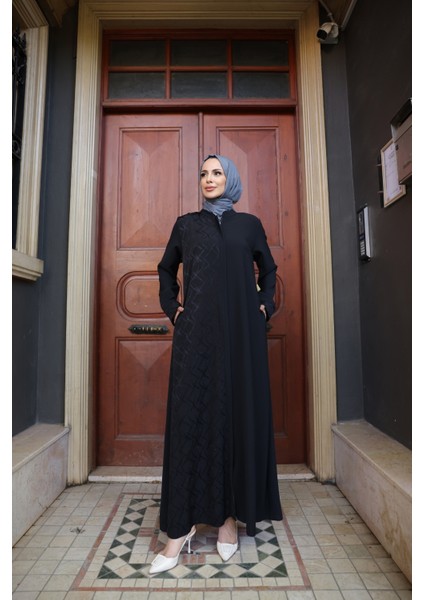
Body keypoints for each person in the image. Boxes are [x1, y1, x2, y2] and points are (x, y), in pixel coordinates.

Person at [150, 154, 282, 575]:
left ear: (231, 179)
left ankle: (228, 520)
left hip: (242, 339)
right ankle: (180, 527)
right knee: (191, 420)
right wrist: (174, 310)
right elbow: (166, 270)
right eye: (204, 174)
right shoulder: (187, 225)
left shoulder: (249, 225)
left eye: (217, 173)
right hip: (197, 340)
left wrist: (264, 306)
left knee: (235, 420)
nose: (209, 179)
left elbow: (269, 271)